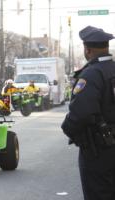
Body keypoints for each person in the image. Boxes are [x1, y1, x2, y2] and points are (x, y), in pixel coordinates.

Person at [61, 26, 115, 200]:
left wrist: (68, 128)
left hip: (100, 150)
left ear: (87, 49)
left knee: (99, 193)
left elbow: (80, 113)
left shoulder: (92, 73)